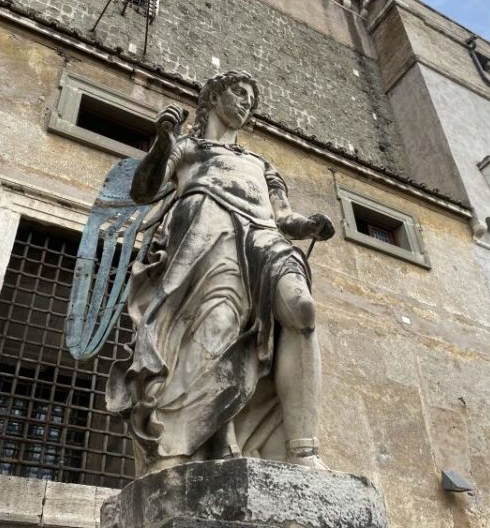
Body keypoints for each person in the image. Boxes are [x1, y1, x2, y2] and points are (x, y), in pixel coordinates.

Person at [106, 71, 335, 475]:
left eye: (252, 98)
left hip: (263, 238)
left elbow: (283, 216)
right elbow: (143, 189)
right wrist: (163, 142)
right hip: (207, 239)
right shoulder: (188, 148)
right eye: (239, 93)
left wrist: (308, 225)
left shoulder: (260, 164)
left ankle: (303, 450)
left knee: (301, 310)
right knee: (217, 333)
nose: (246, 103)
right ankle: (193, 440)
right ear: (213, 96)